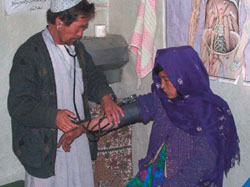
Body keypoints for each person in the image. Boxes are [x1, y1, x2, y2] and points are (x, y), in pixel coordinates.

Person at [73, 46, 240, 187]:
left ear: (184, 78)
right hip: (154, 175)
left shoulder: (210, 113)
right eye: (160, 80)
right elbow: (124, 114)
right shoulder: (163, 100)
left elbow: (203, 163)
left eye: (167, 80)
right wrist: (82, 127)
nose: (162, 86)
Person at [7, 0, 123, 186]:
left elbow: (94, 77)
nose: (80, 34)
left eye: (83, 29)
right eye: (78, 28)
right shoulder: (30, 53)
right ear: (59, 21)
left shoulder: (77, 49)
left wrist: (106, 97)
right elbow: (18, 104)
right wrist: (53, 116)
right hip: (45, 150)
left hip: (76, 139)